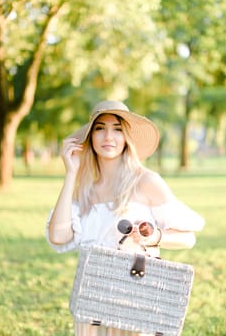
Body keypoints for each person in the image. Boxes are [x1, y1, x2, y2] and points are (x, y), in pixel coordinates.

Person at [46, 100, 205, 336]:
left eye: (117, 129)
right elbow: (59, 236)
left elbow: (188, 237)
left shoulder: (146, 181)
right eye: (100, 128)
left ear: (126, 137)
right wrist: (71, 174)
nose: (108, 136)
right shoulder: (84, 189)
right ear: (90, 137)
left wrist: (153, 238)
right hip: (93, 302)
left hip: (135, 299)